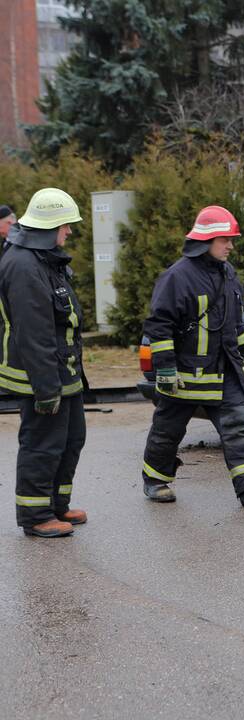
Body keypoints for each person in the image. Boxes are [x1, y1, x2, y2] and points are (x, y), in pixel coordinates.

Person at [140, 205, 244, 506]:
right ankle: (155, 480)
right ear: (206, 241)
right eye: (226, 240)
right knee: (168, 430)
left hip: (224, 371)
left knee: (240, 426)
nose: (231, 246)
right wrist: (166, 368)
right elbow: (159, 325)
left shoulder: (228, 274)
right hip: (184, 375)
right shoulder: (177, 277)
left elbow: (235, 322)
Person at [0, 188, 88, 537]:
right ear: (49, 225)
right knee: (43, 443)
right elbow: (33, 333)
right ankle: (35, 515)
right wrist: (46, 389)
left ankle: (56, 506)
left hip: (60, 369)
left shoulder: (42, 258)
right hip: (41, 375)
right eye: (66, 226)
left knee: (71, 439)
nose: (68, 232)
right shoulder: (23, 265)